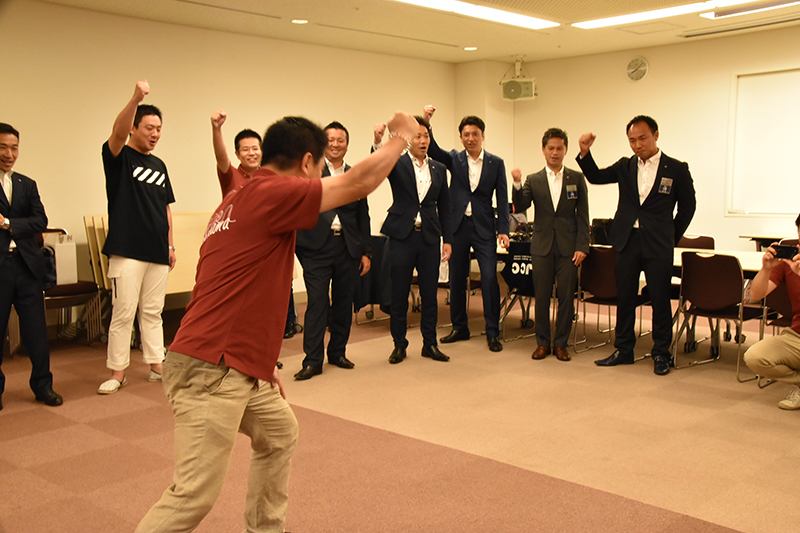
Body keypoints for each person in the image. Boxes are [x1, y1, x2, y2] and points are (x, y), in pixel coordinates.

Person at [135, 111, 418, 532]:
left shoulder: (238, 199)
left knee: (279, 434)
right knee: (192, 495)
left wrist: (261, 360)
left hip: (226, 359)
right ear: (307, 162)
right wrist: (401, 137)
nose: (318, 178)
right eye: (318, 169)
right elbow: (358, 183)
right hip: (213, 367)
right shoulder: (273, 191)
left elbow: (234, 284)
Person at [577, 115, 695, 375]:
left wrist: (671, 236)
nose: (637, 145)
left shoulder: (676, 169)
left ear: (656, 135)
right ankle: (624, 350)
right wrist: (585, 152)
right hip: (628, 240)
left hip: (658, 243)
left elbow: (688, 207)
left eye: (642, 138)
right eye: (632, 140)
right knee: (625, 297)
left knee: (659, 299)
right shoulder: (625, 166)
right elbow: (596, 177)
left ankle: (661, 353)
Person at [98, 80, 176, 394]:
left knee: (153, 312)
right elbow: (117, 132)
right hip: (126, 249)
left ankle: (157, 365)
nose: (155, 134)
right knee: (123, 312)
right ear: (134, 128)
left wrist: (170, 245)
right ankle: (118, 372)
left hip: (157, 250)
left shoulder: (159, 165)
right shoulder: (119, 158)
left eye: (158, 129)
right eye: (148, 128)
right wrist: (136, 98)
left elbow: (166, 208)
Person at [424, 106, 509, 353]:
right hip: (457, 227)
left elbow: (502, 199)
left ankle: (493, 332)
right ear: (461, 137)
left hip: (484, 228)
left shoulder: (496, 163)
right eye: (466, 134)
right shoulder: (455, 159)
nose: (471, 138)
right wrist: (427, 123)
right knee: (457, 278)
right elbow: (434, 150)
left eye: (475, 134)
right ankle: (460, 327)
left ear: (483, 136)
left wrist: (503, 229)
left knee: (489, 278)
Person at [294, 121, 371, 380]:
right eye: (330, 140)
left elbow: (363, 216)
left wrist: (367, 251)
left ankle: (337, 352)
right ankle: (312, 360)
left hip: (347, 247)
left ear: (347, 145)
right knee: (317, 303)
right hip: (315, 247)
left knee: (343, 303)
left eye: (341, 140)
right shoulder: (309, 172)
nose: (335, 144)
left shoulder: (355, 174)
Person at [375, 116, 453, 364]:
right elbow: (377, 165)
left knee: (430, 295)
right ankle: (399, 344)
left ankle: (430, 343)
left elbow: (445, 206)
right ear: (409, 139)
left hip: (429, 236)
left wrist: (448, 240)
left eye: (426, 136)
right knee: (399, 294)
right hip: (402, 235)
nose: (422, 140)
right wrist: (378, 143)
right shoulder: (396, 163)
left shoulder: (439, 168)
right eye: (418, 136)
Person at [511, 128, 589, 362]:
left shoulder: (577, 178)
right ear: (543, 150)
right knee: (542, 296)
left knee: (566, 297)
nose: (555, 152)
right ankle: (543, 343)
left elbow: (583, 215)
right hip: (542, 245)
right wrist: (517, 183)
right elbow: (521, 205)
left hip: (569, 247)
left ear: (566, 150)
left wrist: (582, 246)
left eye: (559, 148)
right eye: (551, 148)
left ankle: (561, 344)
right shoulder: (533, 179)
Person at [0, 123, 62, 410]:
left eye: (14, 148)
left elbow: (40, 221)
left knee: (36, 332)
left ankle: (43, 386)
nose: (9, 154)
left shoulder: (27, 184)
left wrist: (8, 223)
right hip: (1, 268)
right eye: (3, 147)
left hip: (27, 267)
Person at [744, 217, 800, 409]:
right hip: (796, 336)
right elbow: (756, 295)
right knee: (755, 357)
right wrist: (766, 269)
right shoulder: (789, 263)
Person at [210, 109, 263, 197]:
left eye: (255, 148)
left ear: (262, 151)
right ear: (237, 154)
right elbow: (221, 157)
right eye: (245, 149)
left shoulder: (269, 178)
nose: (251, 153)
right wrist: (216, 128)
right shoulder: (231, 175)